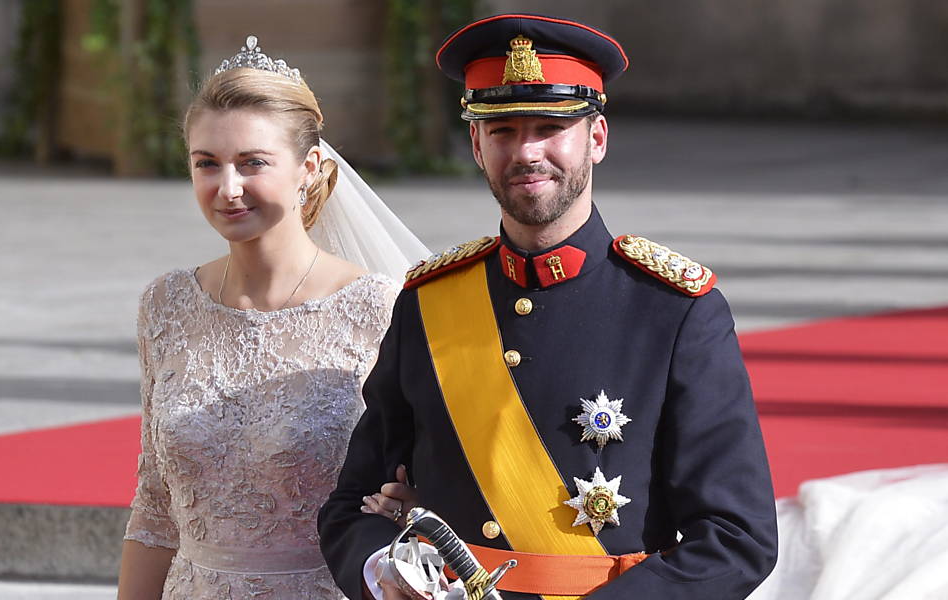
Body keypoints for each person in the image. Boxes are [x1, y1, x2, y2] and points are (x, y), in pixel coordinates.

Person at [319, 14, 778, 600]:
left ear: (597, 138)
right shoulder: (428, 302)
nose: (526, 151)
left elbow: (738, 537)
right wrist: (382, 572)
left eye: (550, 127)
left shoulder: (676, 310)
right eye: (504, 130)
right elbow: (353, 502)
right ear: (476, 145)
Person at [117, 36, 428, 600]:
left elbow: (417, 485)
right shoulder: (165, 305)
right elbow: (155, 506)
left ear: (308, 167)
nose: (227, 188)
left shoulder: (379, 307)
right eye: (206, 163)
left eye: (252, 162)